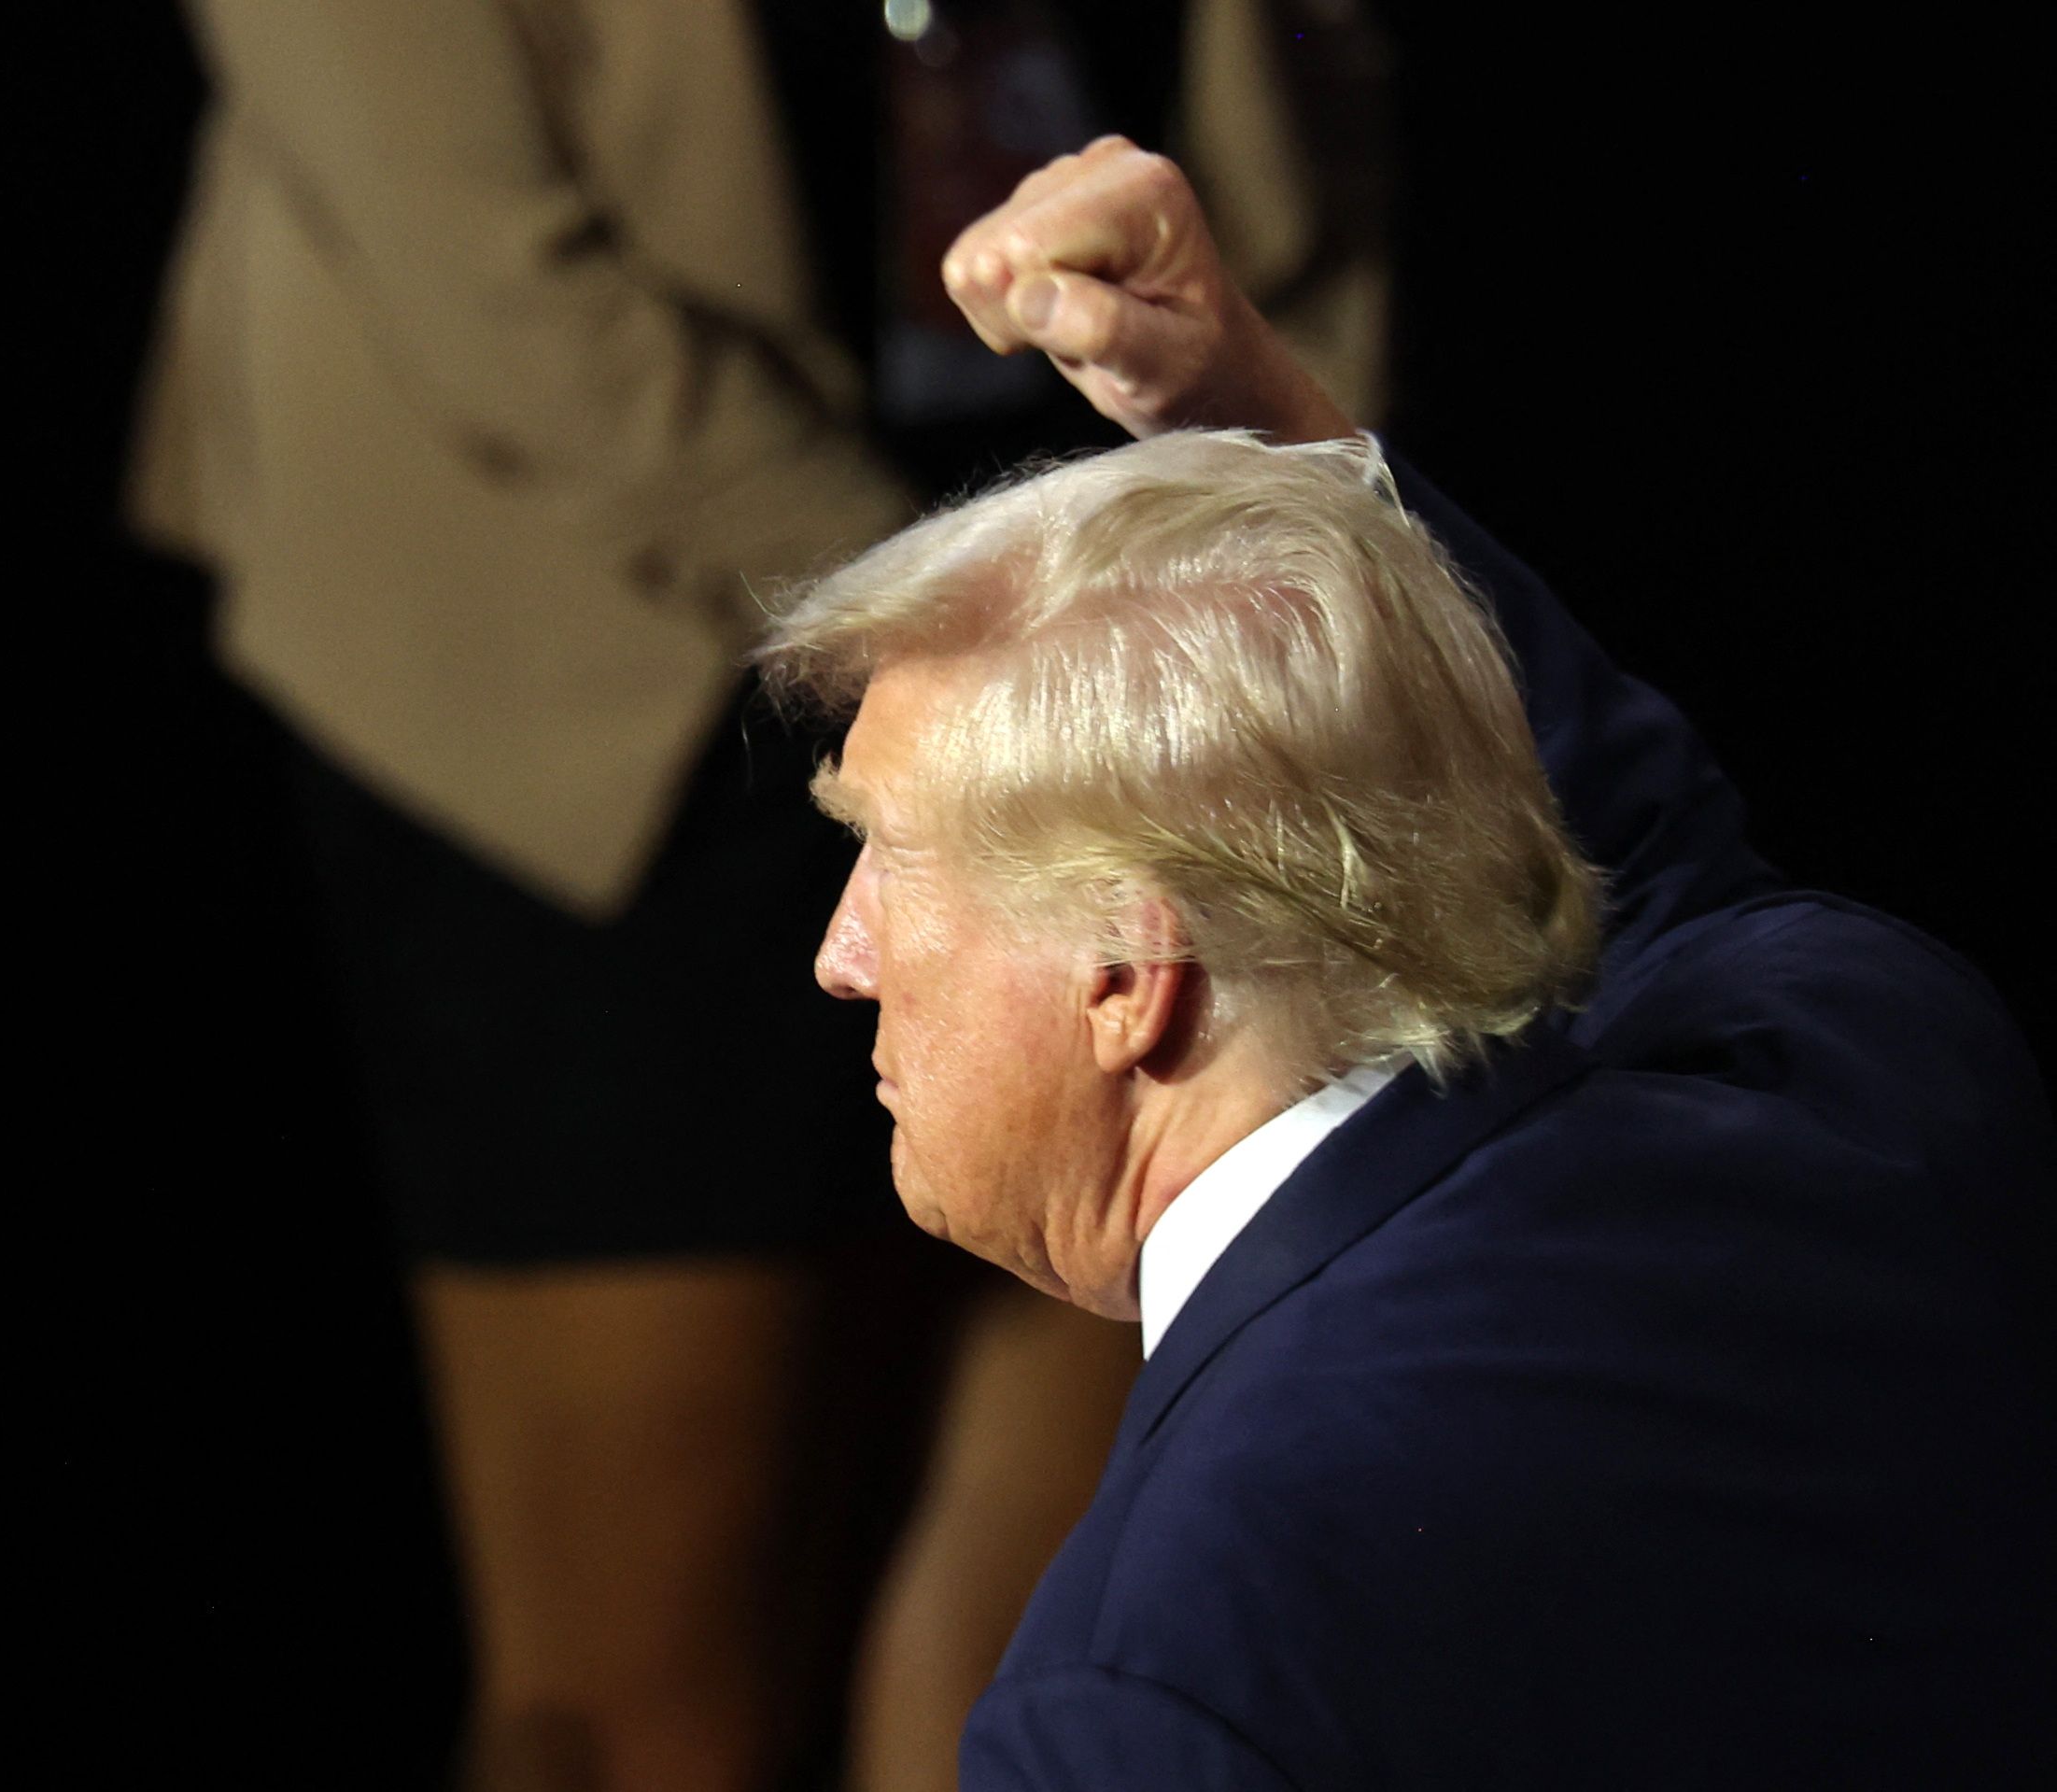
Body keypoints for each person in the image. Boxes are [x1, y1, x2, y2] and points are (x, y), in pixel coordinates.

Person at [129, 8, 1389, 1788]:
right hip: (595, 667)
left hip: (1119, 623)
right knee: (647, 1703)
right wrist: (983, 646)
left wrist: (1264, 526)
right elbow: (497, 289)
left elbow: (1311, 133)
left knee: (1050, 1643)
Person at [755, 138, 2053, 1786]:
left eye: (889, 852)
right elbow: (1625, 847)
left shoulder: (1148, 1694)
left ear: (1122, 973)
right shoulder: (1865, 1072)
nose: (839, 955)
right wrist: (1250, 407)